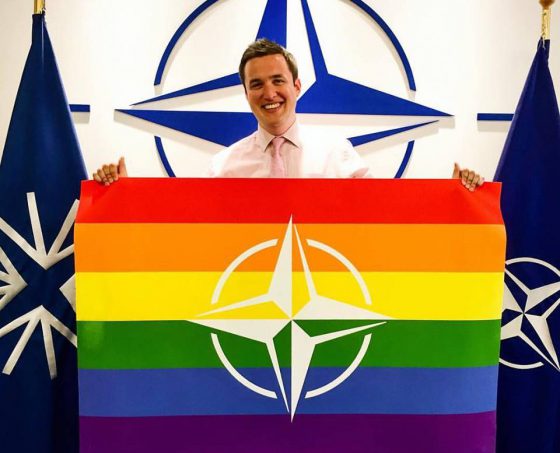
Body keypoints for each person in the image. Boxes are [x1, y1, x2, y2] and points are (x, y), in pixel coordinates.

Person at [94, 39, 483, 190]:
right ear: (246, 93)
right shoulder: (224, 167)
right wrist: (122, 197)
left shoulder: (338, 155)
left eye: (278, 80)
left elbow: (385, 220)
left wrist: (454, 199)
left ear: (297, 86)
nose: (269, 93)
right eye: (256, 84)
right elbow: (191, 236)